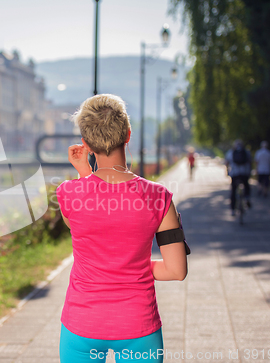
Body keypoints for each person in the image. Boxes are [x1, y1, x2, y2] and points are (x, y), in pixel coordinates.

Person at [56, 94, 188, 363]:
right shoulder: (159, 197)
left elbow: (79, 224)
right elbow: (176, 270)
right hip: (138, 324)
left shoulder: (68, 193)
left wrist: (83, 173)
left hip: (82, 324)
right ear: (128, 135)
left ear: (86, 143)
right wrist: (132, 268)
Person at [225, 139, 252, 216]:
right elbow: (250, 162)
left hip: (235, 174)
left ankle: (233, 210)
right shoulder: (247, 152)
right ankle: (247, 198)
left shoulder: (230, 152)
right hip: (244, 173)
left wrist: (227, 172)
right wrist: (249, 172)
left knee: (233, 191)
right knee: (246, 185)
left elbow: (226, 162)